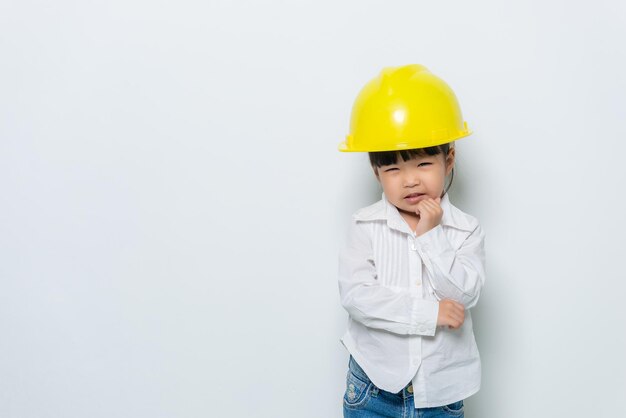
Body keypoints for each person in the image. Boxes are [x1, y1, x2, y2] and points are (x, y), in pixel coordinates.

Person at [337, 64, 486, 418]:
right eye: (393, 169)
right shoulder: (365, 226)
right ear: (376, 171)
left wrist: (432, 236)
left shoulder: (466, 229)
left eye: (422, 164)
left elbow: (465, 295)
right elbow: (357, 297)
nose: (409, 181)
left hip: (441, 393)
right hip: (373, 388)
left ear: (448, 160)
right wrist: (429, 314)